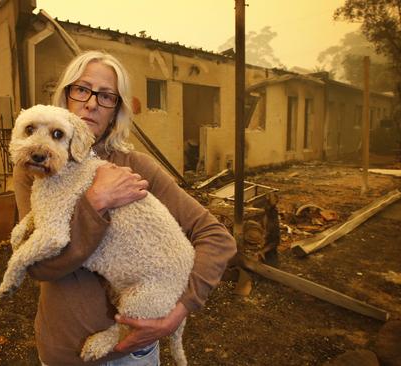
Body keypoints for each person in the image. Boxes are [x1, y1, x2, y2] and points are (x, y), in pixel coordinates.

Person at [12, 50, 237, 366]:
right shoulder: (35, 168)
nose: (91, 103)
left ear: (116, 109)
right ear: (65, 96)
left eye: (106, 96)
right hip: (64, 352)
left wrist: (180, 311)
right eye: (82, 89)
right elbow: (39, 267)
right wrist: (97, 201)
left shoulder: (137, 167)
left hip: (133, 351)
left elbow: (216, 236)